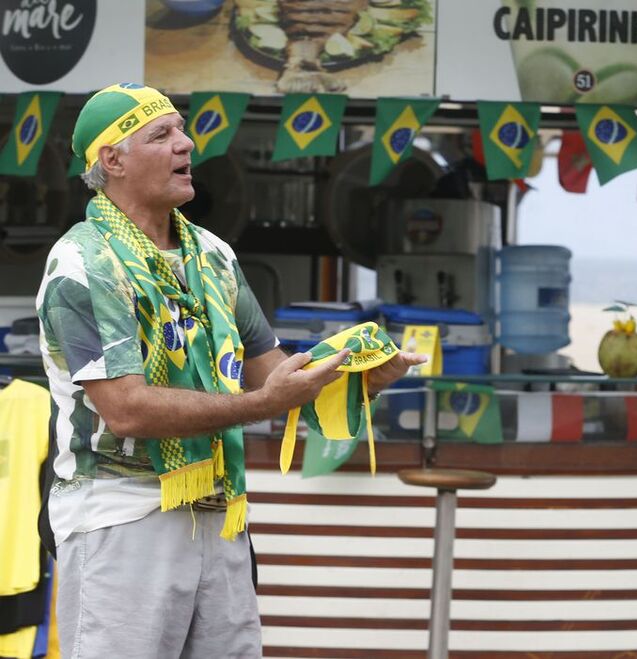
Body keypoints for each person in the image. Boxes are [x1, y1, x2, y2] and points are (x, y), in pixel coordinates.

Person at [36, 83, 426, 657]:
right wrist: (262, 406)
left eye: (182, 130)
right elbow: (126, 408)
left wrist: (356, 379)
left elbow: (268, 375)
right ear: (111, 161)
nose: (186, 144)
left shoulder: (214, 256)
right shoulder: (82, 263)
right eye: (161, 135)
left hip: (219, 514)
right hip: (120, 516)